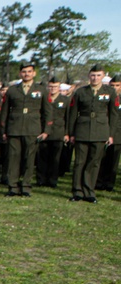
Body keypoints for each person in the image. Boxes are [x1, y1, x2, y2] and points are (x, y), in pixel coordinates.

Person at [66, 65, 118, 203]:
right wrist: (71, 133)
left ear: (103, 76)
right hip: (82, 129)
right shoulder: (80, 92)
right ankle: (77, 191)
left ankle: (89, 191)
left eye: (98, 75)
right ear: (89, 76)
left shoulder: (110, 92)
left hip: (101, 131)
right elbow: (72, 114)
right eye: (93, 75)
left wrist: (110, 134)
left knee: (94, 162)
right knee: (79, 162)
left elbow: (113, 115)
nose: (95, 78)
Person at [1, 62, 50, 197]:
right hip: (14, 129)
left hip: (32, 129)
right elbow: (4, 112)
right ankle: (13, 186)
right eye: (24, 71)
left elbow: (47, 111)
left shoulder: (41, 90)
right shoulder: (12, 90)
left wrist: (46, 130)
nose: (26, 74)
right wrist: (4, 130)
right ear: (20, 73)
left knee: (29, 159)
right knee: (13, 159)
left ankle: (26, 187)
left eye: (29, 71)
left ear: (34, 73)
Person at [36, 79, 69, 188]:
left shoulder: (65, 100)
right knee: (42, 157)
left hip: (58, 132)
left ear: (59, 87)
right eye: (50, 87)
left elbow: (68, 117)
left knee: (55, 159)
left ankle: (52, 180)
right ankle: (41, 179)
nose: (53, 89)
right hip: (44, 131)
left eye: (55, 87)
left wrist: (67, 133)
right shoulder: (43, 98)